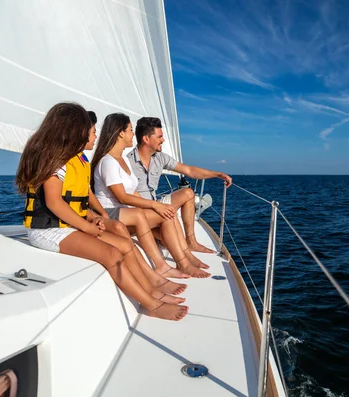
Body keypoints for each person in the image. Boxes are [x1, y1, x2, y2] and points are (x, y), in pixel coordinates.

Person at [16, 103, 188, 321]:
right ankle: (151, 304)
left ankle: (151, 288)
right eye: (90, 130)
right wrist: (87, 226)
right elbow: (54, 203)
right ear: (72, 130)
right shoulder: (53, 160)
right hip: (48, 231)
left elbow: (76, 200)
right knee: (112, 253)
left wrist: (93, 217)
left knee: (125, 244)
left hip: (67, 224)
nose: (95, 135)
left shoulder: (76, 160)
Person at [91, 112, 210, 278]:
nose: (134, 134)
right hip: (110, 213)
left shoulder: (121, 160)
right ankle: (182, 262)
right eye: (130, 130)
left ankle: (182, 260)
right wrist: (155, 205)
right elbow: (122, 197)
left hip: (125, 212)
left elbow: (133, 191)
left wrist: (157, 207)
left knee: (165, 212)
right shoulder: (108, 161)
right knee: (165, 214)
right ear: (120, 133)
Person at [126, 117, 232, 255]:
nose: (163, 140)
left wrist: (217, 174)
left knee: (188, 193)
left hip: (155, 206)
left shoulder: (160, 158)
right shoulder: (128, 163)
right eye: (160, 136)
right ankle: (163, 239)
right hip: (139, 212)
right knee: (168, 239)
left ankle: (191, 241)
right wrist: (156, 209)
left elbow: (189, 170)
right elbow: (127, 196)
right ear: (146, 139)